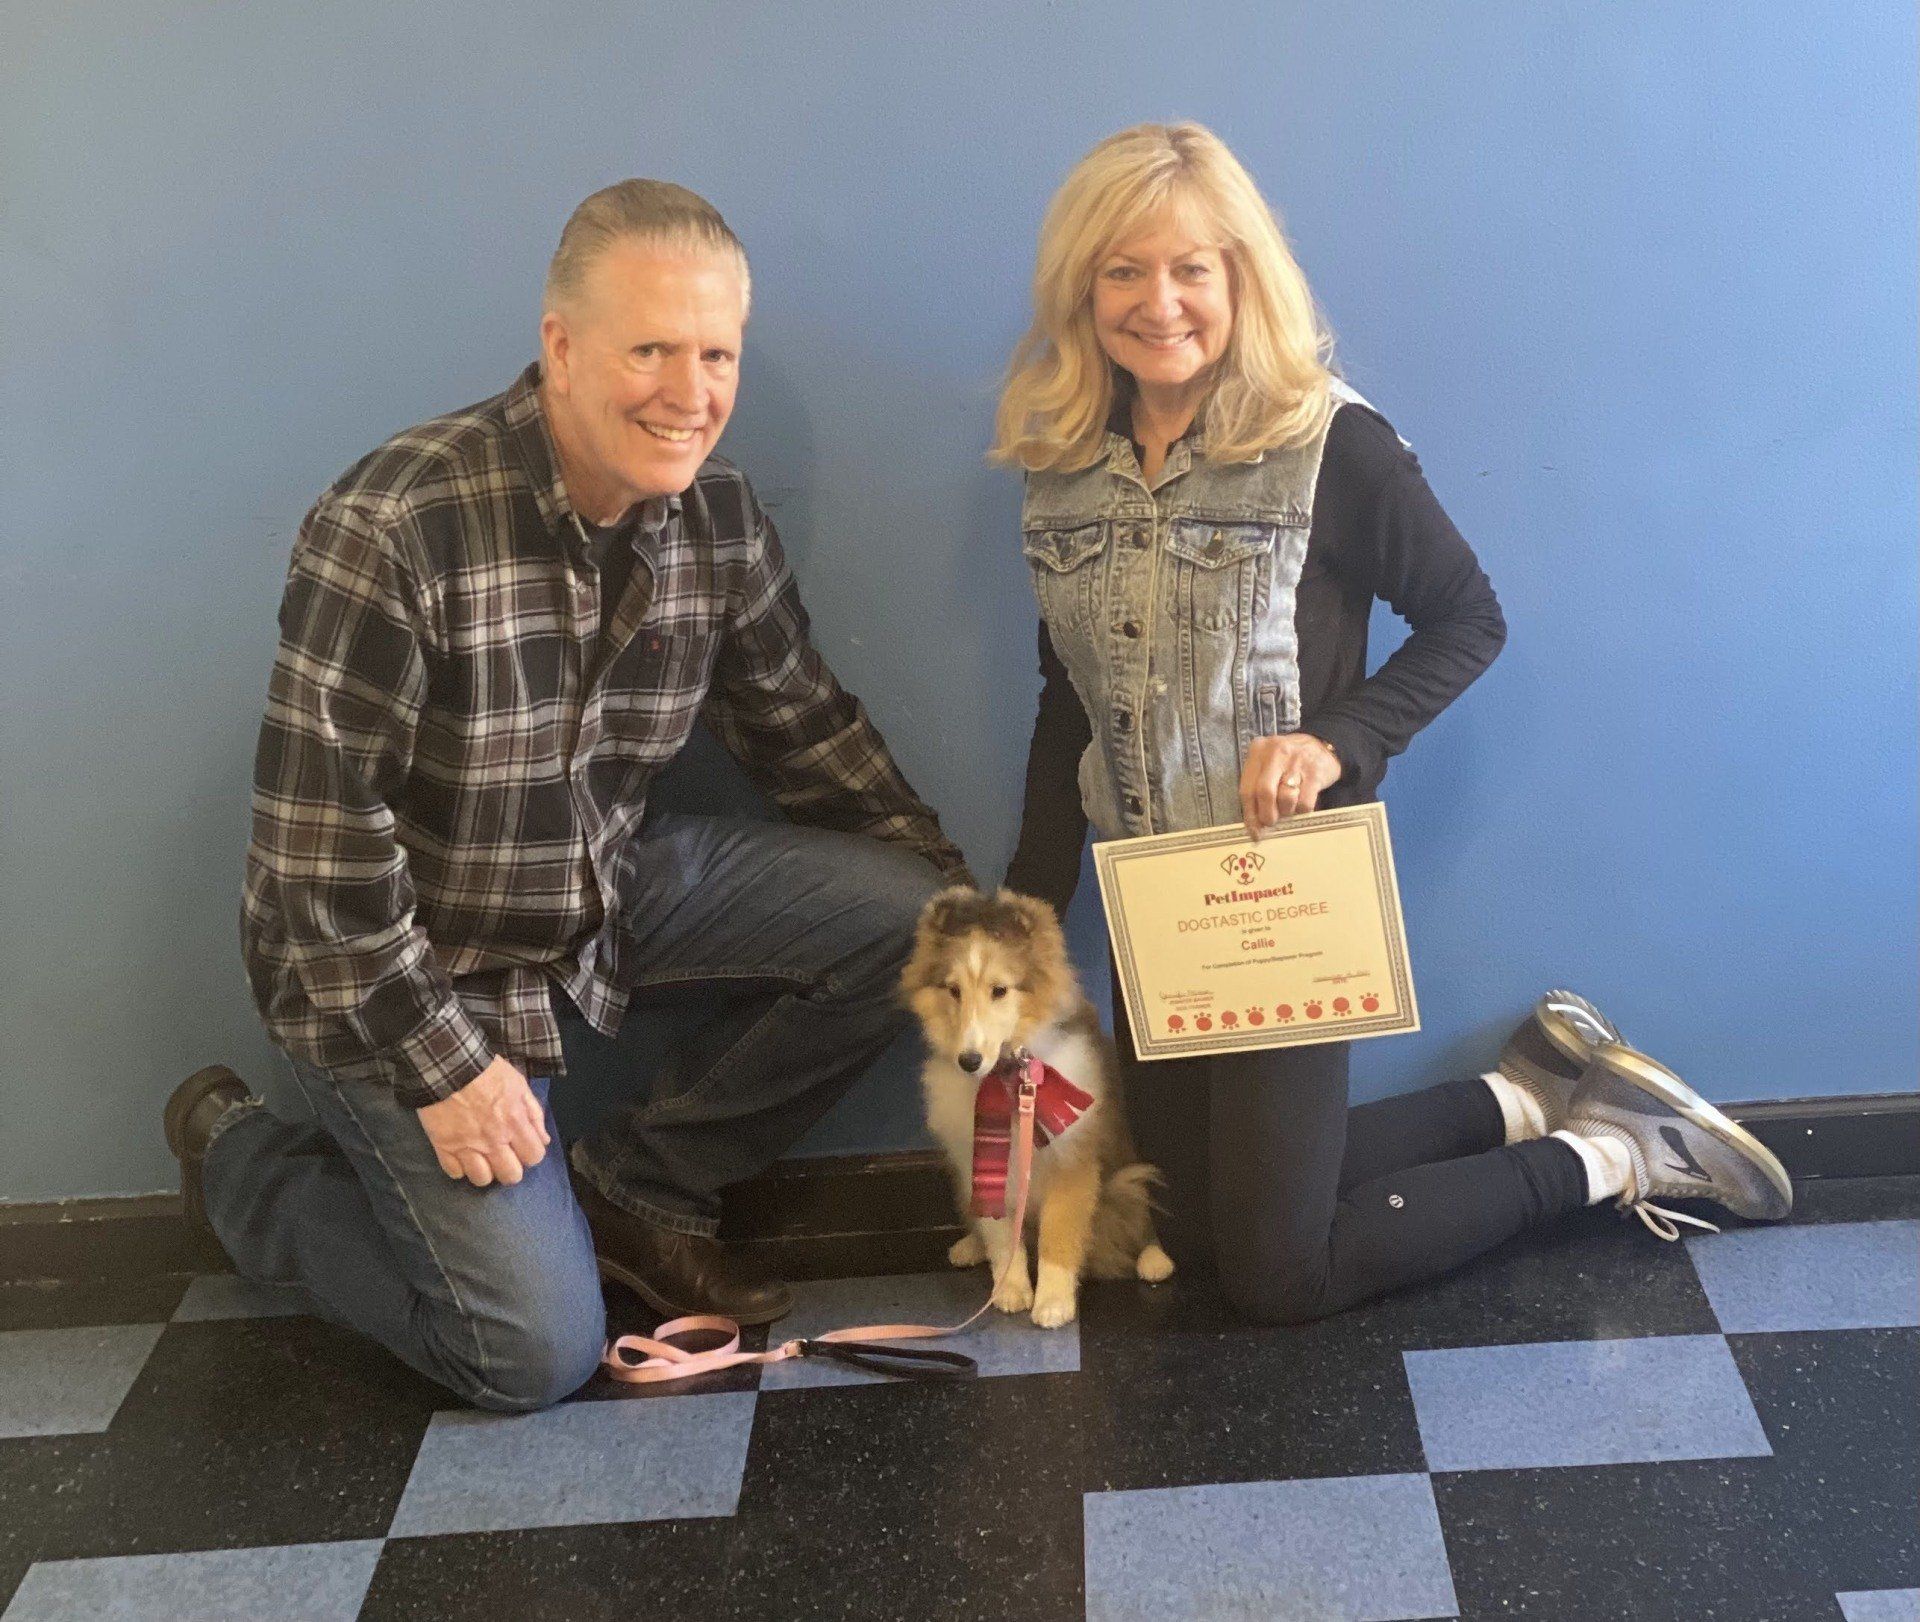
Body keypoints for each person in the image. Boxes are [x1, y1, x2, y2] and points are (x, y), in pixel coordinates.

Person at [164, 179, 971, 1411]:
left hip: (598, 894)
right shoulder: (395, 520)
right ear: (561, 346)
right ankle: (242, 1162)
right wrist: (443, 1065)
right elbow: (313, 864)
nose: (688, 391)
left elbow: (804, 732)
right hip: (399, 966)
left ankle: (641, 1184)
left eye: (715, 354)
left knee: (921, 929)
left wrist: (974, 926)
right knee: (531, 1354)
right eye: (650, 348)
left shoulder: (721, 518)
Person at [994, 123, 1789, 1325]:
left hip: (1283, 902)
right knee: (1187, 1222)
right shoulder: (1059, 464)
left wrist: (1335, 741)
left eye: (1192, 268)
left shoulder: (1324, 441)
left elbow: (1469, 619)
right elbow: (1073, 703)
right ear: (1080, 288)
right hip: (1156, 902)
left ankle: (1609, 1154)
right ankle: (1519, 1097)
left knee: (1279, 1273)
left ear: (1241, 277)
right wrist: (1024, 920)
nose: (1159, 303)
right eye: (1123, 271)